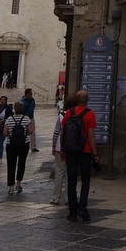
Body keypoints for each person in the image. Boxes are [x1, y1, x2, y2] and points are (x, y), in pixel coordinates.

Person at [63, 89, 97, 222]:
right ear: (87, 100)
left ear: (77, 100)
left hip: (71, 151)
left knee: (71, 181)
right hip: (85, 151)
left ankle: (72, 211)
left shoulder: (69, 113)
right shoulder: (90, 114)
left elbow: (63, 133)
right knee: (85, 180)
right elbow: (91, 135)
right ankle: (82, 207)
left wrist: (63, 150)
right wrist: (95, 153)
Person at [2, 101, 34, 195]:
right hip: (24, 144)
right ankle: (18, 184)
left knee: (11, 165)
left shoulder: (9, 119)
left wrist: (11, 134)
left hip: (11, 144)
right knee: (21, 163)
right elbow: (30, 131)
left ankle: (11, 187)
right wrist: (24, 133)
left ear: (14, 109)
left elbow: (4, 133)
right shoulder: (26, 119)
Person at [49, 102, 68, 207]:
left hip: (60, 147)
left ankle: (56, 197)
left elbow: (56, 132)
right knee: (70, 173)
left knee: (59, 172)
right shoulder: (78, 115)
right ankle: (68, 197)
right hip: (73, 148)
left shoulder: (62, 116)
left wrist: (53, 146)